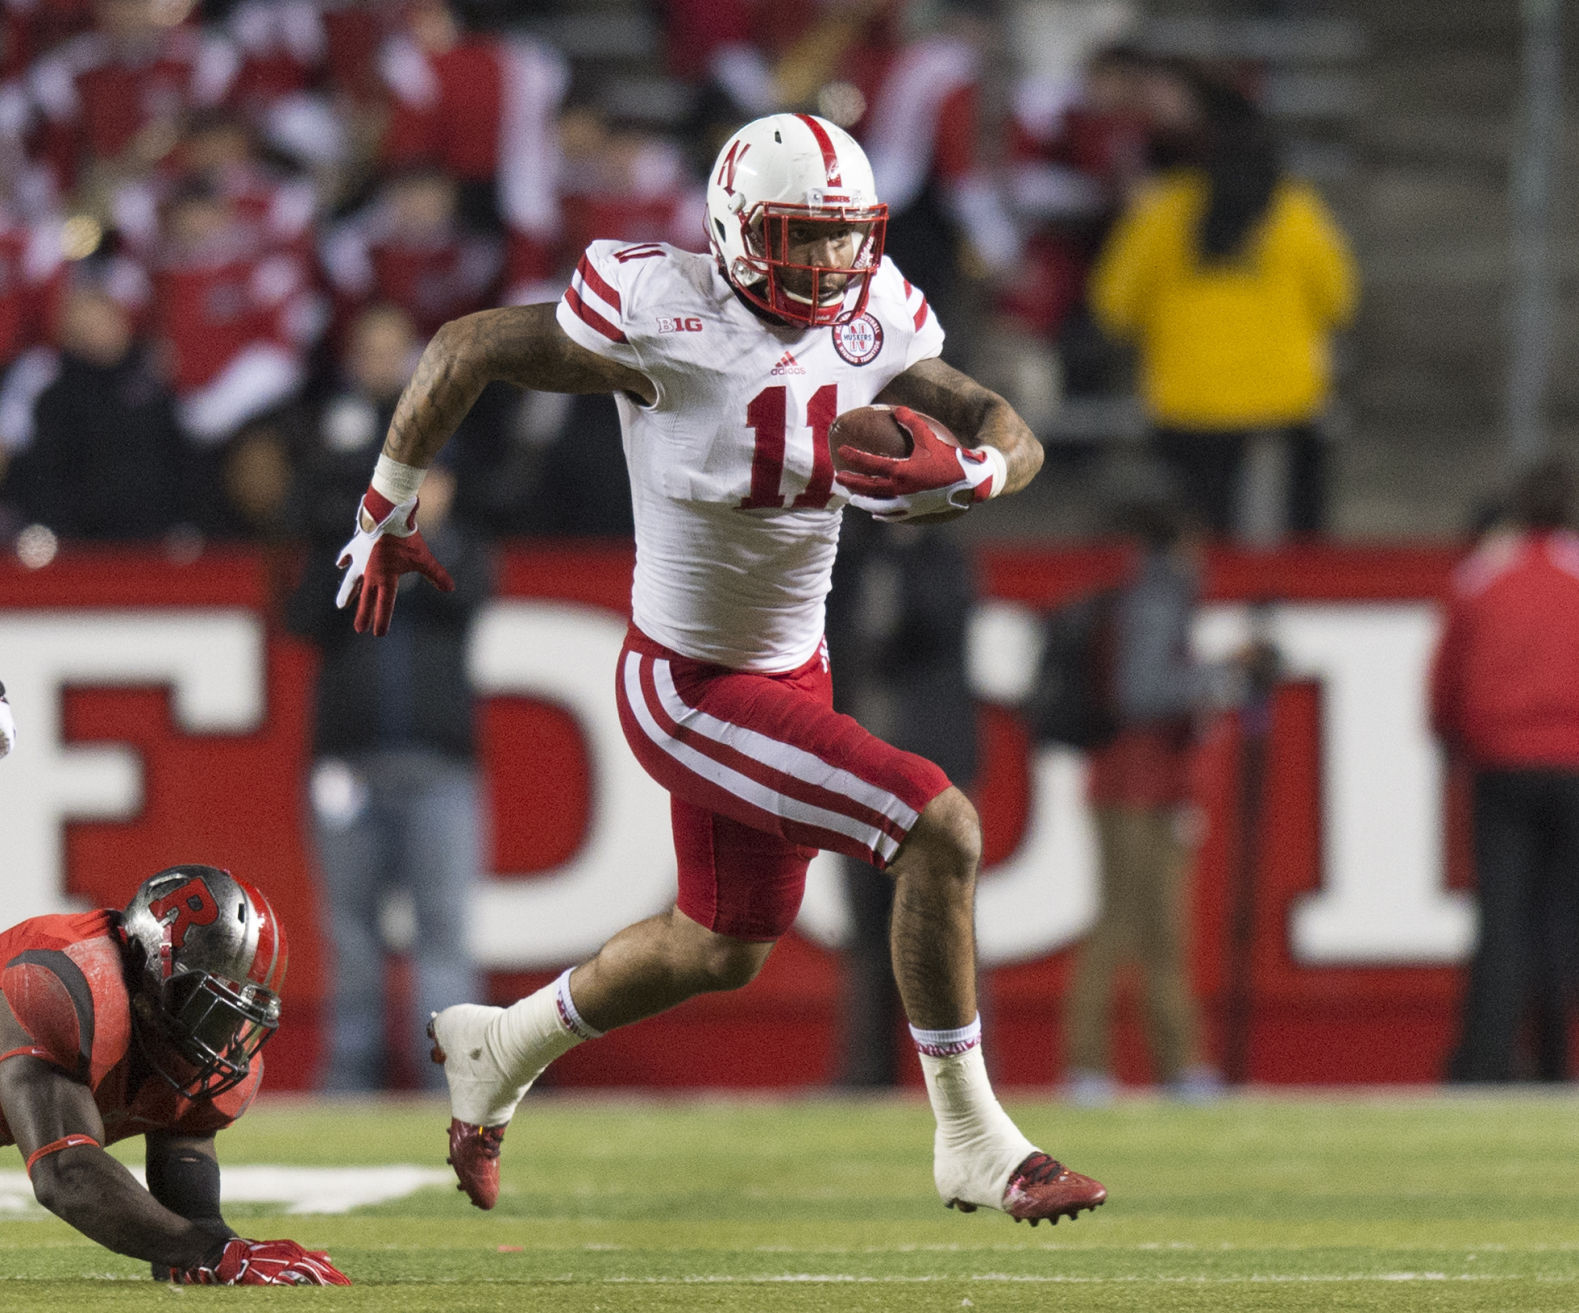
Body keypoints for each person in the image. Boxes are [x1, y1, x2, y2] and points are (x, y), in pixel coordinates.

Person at [332, 112, 1107, 1226]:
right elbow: (464, 345)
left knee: (724, 944)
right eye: (804, 236)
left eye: (847, 237)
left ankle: (497, 1045)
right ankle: (975, 1137)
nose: (832, 263)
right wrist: (385, 501)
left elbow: (1000, 422)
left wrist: (979, 471)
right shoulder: (663, 313)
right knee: (940, 826)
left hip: (793, 672)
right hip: (687, 685)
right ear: (739, 231)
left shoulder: (874, 312)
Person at [287, 311, 492, 1089]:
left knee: (443, 930)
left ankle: (453, 1082)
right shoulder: (333, 509)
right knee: (353, 935)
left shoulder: (461, 540)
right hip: (350, 758)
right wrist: (371, 537)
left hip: (439, 757)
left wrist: (419, 538)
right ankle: (351, 1076)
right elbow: (304, 613)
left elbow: (470, 593)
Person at [0, 864, 350, 1286]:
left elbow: (191, 1215)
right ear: (150, 965)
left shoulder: (183, 1033)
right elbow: (65, 1172)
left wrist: (227, 1253)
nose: (222, 1030)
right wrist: (207, 1252)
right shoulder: (62, 983)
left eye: (233, 1005)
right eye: (208, 1001)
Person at [1089, 75, 1357, 540]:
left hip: (1186, 402)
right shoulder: (1295, 211)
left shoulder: (1163, 212)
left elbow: (1113, 305)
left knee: (1204, 539)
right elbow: (1339, 299)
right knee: (1303, 536)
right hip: (1287, 399)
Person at [1060, 495, 1240, 1104]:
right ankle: (1098, 1067)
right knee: (1129, 924)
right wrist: (1220, 679)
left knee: (1154, 928)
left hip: (1140, 783)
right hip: (1138, 786)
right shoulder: (1160, 598)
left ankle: (1174, 1064)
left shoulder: (1143, 593)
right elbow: (1143, 692)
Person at [1432, 460, 1579, 1083]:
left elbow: (1447, 674)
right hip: (1573, 762)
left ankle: (1488, 1057)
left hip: (1500, 760)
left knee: (1501, 913)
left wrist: (1451, 740)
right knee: (1563, 912)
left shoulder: (1482, 574)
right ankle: (1553, 1058)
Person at [825, 513, 979, 1087]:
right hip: (860, 765)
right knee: (866, 927)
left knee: (942, 925)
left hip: (930, 769)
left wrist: (899, 559)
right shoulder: (851, 558)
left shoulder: (939, 558)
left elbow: (937, 630)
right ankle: (866, 1072)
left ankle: (964, 1076)